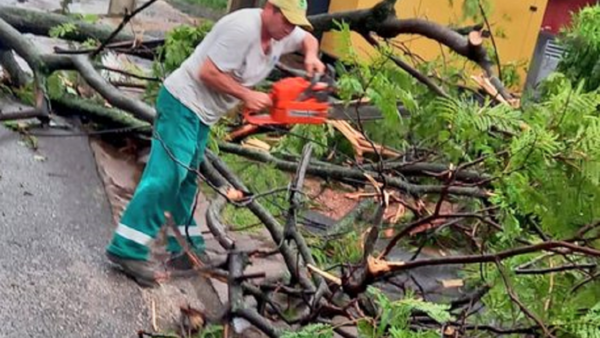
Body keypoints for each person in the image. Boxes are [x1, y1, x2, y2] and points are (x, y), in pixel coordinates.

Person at [104, 0, 326, 287]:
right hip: (183, 102)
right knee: (167, 175)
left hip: (203, 114)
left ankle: (184, 249)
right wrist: (246, 95)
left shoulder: (283, 33)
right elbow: (206, 72)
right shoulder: (243, 29)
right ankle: (127, 248)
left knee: (186, 181)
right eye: (286, 20)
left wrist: (311, 56)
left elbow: (308, 39)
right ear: (270, 8)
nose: (290, 28)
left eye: (294, 23)